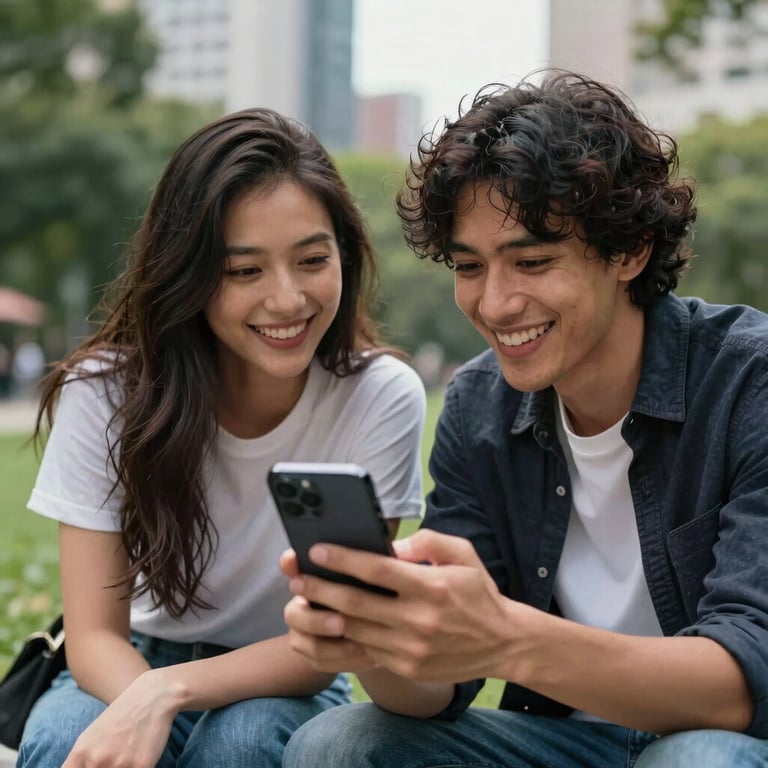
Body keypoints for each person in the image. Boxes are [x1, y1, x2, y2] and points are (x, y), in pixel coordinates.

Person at [280, 69, 768, 767]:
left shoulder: (750, 382)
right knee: (340, 744)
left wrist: (505, 636)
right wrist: (379, 639)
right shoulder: (480, 406)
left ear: (628, 252)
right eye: (469, 266)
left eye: (532, 261)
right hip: (564, 740)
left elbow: (739, 686)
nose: (496, 304)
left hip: (727, 744)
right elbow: (439, 690)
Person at [17, 108, 425, 768]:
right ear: (190, 275)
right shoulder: (105, 390)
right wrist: (150, 696)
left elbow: (342, 631)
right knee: (67, 738)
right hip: (128, 658)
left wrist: (170, 694)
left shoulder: (379, 396)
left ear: (344, 255)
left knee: (243, 743)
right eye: (245, 272)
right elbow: (92, 636)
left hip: (289, 672)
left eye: (312, 259)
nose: (287, 299)